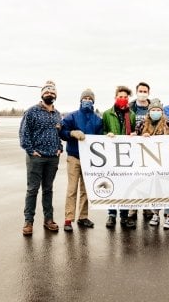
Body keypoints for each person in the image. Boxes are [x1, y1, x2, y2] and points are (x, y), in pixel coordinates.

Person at [19, 81, 64, 236]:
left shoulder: (58, 114)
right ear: (42, 94)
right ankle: (28, 222)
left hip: (53, 158)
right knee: (32, 190)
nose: (49, 94)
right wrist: (31, 151)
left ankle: (48, 219)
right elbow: (24, 134)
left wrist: (60, 148)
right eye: (47, 92)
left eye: (52, 92)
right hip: (36, 158)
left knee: (48, 189)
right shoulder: (31, 112)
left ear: (55, 95)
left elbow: (59, 134)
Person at [59, 88, 103, 232]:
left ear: (93, 101)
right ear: (81, 100)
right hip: (74, 156)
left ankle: (83, 217)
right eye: (85, 99)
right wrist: (71, 133)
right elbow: (62, 132)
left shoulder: (98, 120)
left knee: (86, 189)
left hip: (89, 159)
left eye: (90, 99)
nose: (87, 101)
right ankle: (68, 219)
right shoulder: (72, 116)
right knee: (72, 189)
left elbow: (100, 138)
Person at [134, 99, 169, 229]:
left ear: (162, 111)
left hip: (166, 162)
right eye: (153, 110)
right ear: (149, 111)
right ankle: (156, 214)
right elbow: (135, 141)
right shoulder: (142, 124)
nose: (156, 112)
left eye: (158, 110)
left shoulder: (168, 123)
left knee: (168, 189)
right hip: (149, 163)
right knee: (154, 188)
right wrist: (143, 137)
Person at [102, 85, 138, 229]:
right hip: (111, 155)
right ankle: (111, 214)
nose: (123, 99)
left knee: (125, 186)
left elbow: (134, 132)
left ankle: (124, 216)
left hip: (127, 156)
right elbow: (102, 131)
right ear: (115, 97)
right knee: (112, 184)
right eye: (120, 96)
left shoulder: (132, 115)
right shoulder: (106, 114)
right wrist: (107, 135)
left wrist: (134, 136)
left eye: (125, 97)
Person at [129, 81, 153, 219]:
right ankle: (133, 207)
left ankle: (146, 207)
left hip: (149, 150)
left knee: (148, 179)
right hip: (133, 149)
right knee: (134, 178)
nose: (142, 93)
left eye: (145, 91)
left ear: (148, 93)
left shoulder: (154, 107)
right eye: (140, 91)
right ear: (137, 91)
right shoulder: (129, 107)